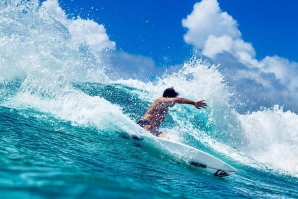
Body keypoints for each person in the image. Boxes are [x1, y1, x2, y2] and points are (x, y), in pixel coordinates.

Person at [137, 87, 207, 138]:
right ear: (168, 97)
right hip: (144, 124)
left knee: (165, 138)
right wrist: (193, 103)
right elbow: (177, 100)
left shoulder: (165, 109)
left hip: (153, 130)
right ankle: (138, 135)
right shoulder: (160, 100)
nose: (174, 103)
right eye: (173, 98)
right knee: (149, 128)